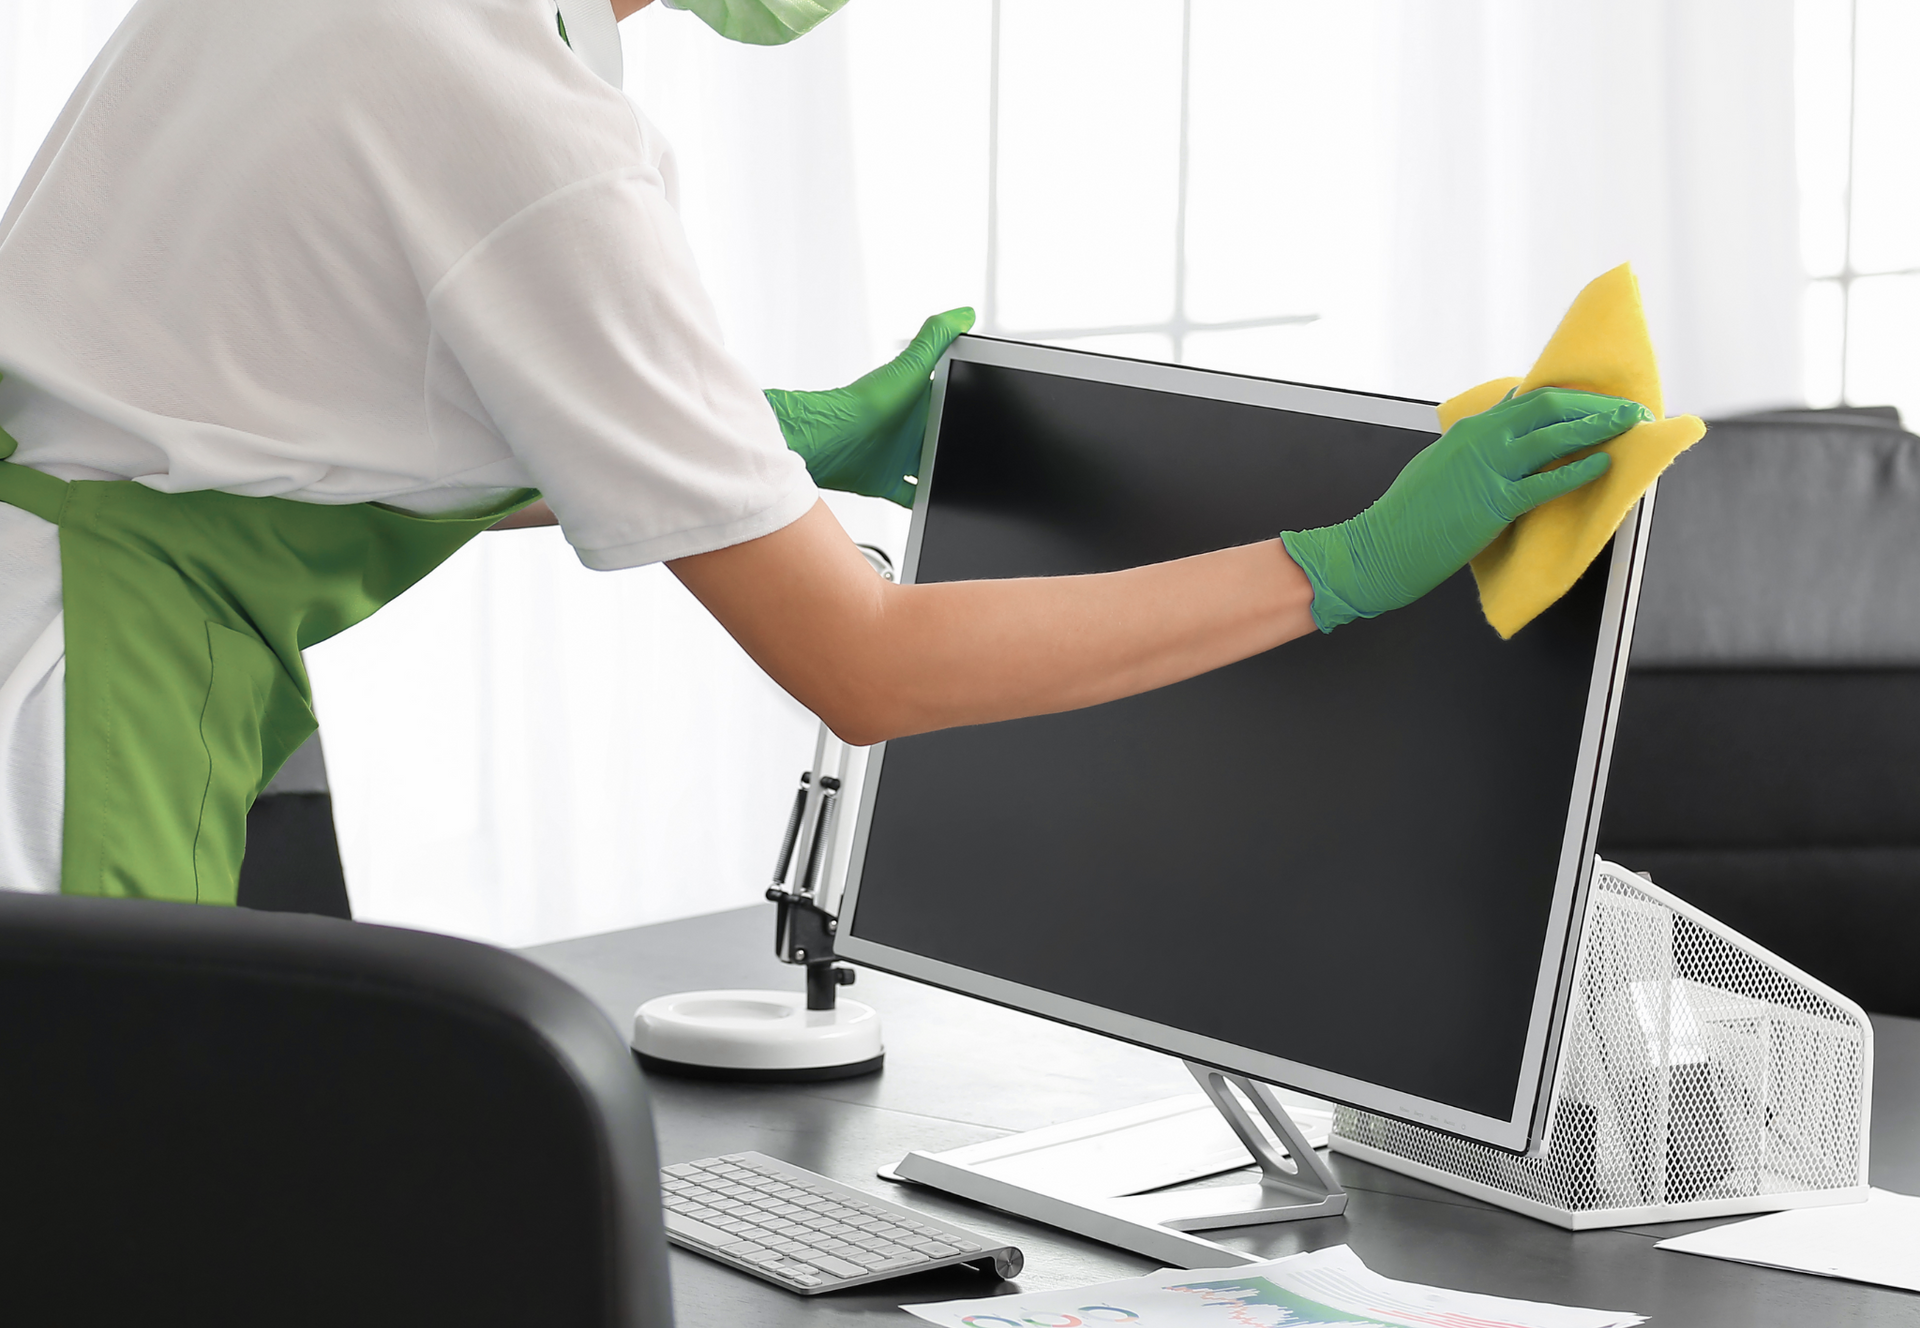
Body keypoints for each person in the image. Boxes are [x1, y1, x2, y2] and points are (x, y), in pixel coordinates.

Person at [0, 0, 1641, 904]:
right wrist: (1343, 566)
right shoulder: (533, 137)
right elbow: (866, 666)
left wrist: (758, 444)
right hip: (80, 705)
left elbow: (271, 392)